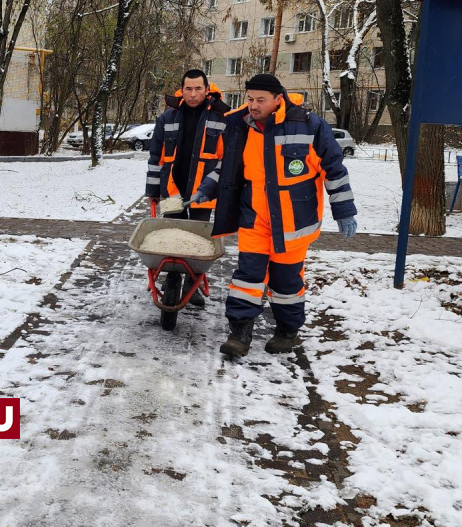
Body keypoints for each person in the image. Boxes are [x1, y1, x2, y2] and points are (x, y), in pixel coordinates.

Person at [191, 73, 357, 356]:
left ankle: (287, 331)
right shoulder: (242, 126)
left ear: (278, 99)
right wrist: (207, 188)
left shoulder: (309, 125)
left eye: (260, 100)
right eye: (250, 99)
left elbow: (334, 170)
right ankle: (240, 332)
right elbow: (228, 167)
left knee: (286, 280)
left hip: (295, 220)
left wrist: (344, 210)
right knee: (248, 275)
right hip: (254, 217)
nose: (253, 106)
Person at [145, 69, 230, 306]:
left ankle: (191, 287)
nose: (193, 94)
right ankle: (172, 280)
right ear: (182, 90)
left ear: (207, 89)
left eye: (198, 89)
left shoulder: (222, 118)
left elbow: (226, 160)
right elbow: (156, 158)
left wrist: (213, 185)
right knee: (172, 239)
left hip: (203, 194)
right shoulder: (168, 118)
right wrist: (152, 191)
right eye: (188, 89)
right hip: (172, 190)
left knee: (198, 243)